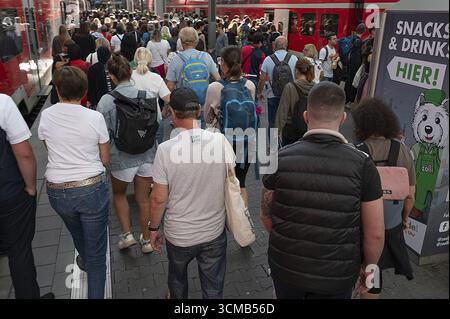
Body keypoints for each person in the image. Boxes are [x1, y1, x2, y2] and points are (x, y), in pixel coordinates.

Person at [260, 82, 385, 299]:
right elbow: (375, 233)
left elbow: (266, 213)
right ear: (343, 118)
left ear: (306, 116)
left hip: (286, 269)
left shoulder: (279, 158)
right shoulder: (364, 165)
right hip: (337, 277)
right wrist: (370, 270)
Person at [149, 87, 233, 299]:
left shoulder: (165, 150)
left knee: (177, 283)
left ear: (173, 113)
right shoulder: (219, 140)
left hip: (179, 235)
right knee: (213, 289)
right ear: (197, 112)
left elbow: (159, 199)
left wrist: (153, 229)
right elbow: (230, 179)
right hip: (213, 231)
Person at [38, 66, 110, 299]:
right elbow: (105, 158)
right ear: (85, 90)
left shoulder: (47, 115)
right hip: (91, 187)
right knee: (97, 252)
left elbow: (49, 150)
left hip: (57, 191)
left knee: (77, 231)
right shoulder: (95, 117)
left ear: (57, 90)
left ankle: (85, 257)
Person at [97, 53, 162, 254]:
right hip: (147, 154)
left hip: (121, 157)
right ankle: (145, 240)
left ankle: (127, 236)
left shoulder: (106, 101)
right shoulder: (148, 96)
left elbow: (103, 133)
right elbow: (157, 122)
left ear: (112, 76)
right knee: (144, 198)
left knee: (119, 194)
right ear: (130, 72)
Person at [352, 98, 415, 298]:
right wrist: (404, 218)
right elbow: (410, 194)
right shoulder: (403, 150)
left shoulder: (356, 152)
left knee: (352, 269)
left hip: (358, 228)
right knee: (374, 272)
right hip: (389, 228)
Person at [0, 95, 55, 299]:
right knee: (18, 250)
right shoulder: (3, 103)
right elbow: (24, 153)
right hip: (8, 192)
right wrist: (31, 187)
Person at [204, 46, 256, 208]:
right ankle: (243, 220)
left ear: (223, 64)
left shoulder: (215, 88)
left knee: (221, 184)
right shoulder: (250, 85)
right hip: (246, 142)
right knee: (241, 184)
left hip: (222, 143)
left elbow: (207, 117)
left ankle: (222, 220)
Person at [166, 27, 220, 98]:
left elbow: (170, 86)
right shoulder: (206, 56)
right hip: (203, 101)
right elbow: (218, 79)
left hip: (183, 102)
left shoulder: (175, 59)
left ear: (181, 41)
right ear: (196, 40)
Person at [257, 36, 298, 130]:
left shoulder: (268, 59)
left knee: (272, 121)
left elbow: (262, 79)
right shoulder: (294, 58)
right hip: (288, 94)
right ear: (286, 46)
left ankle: (273, 143)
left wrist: (259, 93)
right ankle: (284, 142)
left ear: (274, 45)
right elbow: (297, 77)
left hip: (272, 94)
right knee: (287, 120)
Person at [276, 57, 315, 146]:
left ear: (297, 70)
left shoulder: (290, 87)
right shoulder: (315, 87)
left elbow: (283, 111)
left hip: (291, 129)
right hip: (308, 128)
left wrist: (278, 131)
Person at [131, 47, 171, 113]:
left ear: (135, 59)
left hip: (132, 116)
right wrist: (165, 110)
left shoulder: (128, 76)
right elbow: (168, 99)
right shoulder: (156, 77)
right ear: (150, 60)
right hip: (153, 117)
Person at [345, 23, 365, 104]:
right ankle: (350, 99)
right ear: (363, 31)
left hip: (350, 64)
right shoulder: (358, 41)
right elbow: (357, 56)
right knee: (354, 82)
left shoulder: (352, 38)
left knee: (348, 81)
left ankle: (346, 98)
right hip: (355, 65)